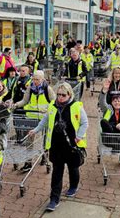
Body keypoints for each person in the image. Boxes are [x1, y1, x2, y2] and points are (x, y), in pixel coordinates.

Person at [28, 82, 88, 211]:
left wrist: (79, 136)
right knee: (57, 173)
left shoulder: (76, 106)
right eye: (58, 94)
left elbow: (84, 122)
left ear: (69, 95)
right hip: (56, 145)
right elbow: (45, 120)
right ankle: (54, 199)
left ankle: (73, 186)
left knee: (73, 168)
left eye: (63, 95)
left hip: (71, 145)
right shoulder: (52, 106)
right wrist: (36, 130)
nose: (60, 97)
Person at [13, 70, 56, 172]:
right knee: (29, 140)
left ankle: (45, 157)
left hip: (44, 118)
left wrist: (47, 110)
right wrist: (16, 105)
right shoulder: (30, 88)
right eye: (34, 79)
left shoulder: (48, 89)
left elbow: (54, 102)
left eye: (37, 79)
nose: (35, 81)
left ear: (42, 79)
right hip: (31, 117)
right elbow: (25, 101)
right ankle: (28, 162)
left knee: (45, 139)